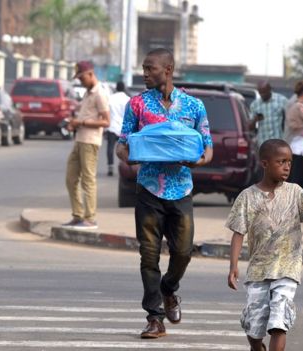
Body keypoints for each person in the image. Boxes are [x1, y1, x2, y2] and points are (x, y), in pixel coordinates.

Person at [116, 48, 213, 339]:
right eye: (144, 68)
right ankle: (154, 318)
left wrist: (198, 161)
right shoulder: (137, 104)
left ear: (168, 69)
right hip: (147, 189)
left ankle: (169, 289)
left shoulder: (193, 106)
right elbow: (121, 143)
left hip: (181, 190)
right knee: (148, 256)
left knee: (183, 252)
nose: (144, 73)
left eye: (150, 68)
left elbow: (207, 147)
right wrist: (128, 156)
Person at [226, 139, 303, 351]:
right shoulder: (247, 197)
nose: (287, 167)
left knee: (278, 323)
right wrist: (233, 266)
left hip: (287, 268)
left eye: (290, 162)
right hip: (258, 270)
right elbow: (238, 232)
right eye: (281, 161)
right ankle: (257, 347)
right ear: (265, 163)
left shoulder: (295, 192)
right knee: (254, 328)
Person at [63, 61, 110, 230]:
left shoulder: (99, 94)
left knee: (88, 180)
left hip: (90, 141)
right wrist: (74, 124)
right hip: (80, 139)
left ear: (91, 74)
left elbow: (106, 121)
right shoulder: (87, 93)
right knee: (71, 179)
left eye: (82, 78)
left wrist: (81, 122)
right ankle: (78, 215)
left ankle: (90, 218)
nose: (81, 81)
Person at [284, 79, 303, 191]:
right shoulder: (302, 107)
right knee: (299, 179)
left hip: (294, 146)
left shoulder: (292, 105)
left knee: (294, 178)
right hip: (301, 148)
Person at [249, 82, 288, 146]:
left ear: (270, 89)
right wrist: (255, 119)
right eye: (260, 93)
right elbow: (250, 127)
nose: (262, 95)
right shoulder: (255, 105)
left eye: (264, 92)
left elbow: (290, 119)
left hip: (278, 142)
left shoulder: (282, 100)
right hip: (263, 143)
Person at [104, 81, 130, 176]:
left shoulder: (110, 98)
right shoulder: (128, 99)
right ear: (123, 88)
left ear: (116, 88)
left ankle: (110, 166)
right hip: (123, 128)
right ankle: (124, 166)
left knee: (110, 147)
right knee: (124, 148)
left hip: (112, 126)